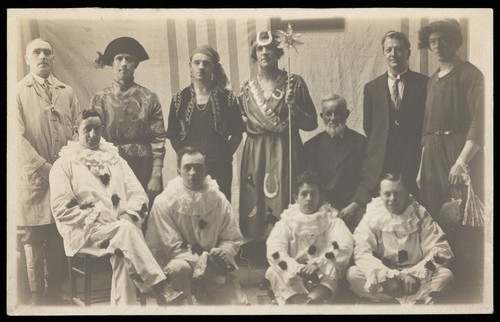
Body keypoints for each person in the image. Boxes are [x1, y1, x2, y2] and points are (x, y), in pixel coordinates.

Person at [49, 109, 184, 306]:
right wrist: (97, 215)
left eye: (97, 128)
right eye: (87, 129)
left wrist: (128, 215)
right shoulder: (64, 164)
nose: (93, 134)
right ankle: (159, 285)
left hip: (120, 230)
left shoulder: (115, 159)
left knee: (124, 251)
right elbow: (61, 209)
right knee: (126, 234)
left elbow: (138, 194)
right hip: (86, 232)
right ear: (76, 131)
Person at [417, 18, 485, 303]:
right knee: (434, 216)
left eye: (443, 40)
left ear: (455, 42)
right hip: (432, 152)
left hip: (459, 152)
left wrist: (462, 162)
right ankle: (438, 284)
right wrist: (421, 167)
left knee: (461, 219)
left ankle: (466, 288)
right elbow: (426, 127)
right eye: (433, 42)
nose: (438, 46)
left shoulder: (470, 75)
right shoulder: (433, 79)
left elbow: (479, 122)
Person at [340, 31, 428, 230]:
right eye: (388, 49)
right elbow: (369, 126)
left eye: (398, 49)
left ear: (408, 52)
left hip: (412, 158)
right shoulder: (372, 88)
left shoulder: (423, 84)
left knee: (411, 210)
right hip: (382, 159)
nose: (393, 54)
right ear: (383, 54)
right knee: (381, 209)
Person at [17, 38, 81, 305]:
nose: (42, 56)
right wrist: (44, 168)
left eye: (47, 52)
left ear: (53, 58)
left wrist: (67, 165)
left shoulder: (66, 91)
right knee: (34, 236)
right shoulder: (18, 92)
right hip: (35, 176)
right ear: (27, 59)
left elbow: (78, 128)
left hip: (63, 175)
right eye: (37, 52)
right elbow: (15, 138)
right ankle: (37, 295)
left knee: (58, 233)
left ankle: (55, 292)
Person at [239, 31, 318, 242]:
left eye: (269, 47)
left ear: (278, 51)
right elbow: (240, 122)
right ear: (255, 54)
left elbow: (312, 123)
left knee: (286, 193)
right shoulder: (246, 89)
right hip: (255, 150)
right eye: (259, 48)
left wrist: (295, 109)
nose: (265, 52)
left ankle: (288, 243)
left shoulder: (294, 83)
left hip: (285, 147)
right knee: (255, 197)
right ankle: (257, 244)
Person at [145, 147, 248, 305]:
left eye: (198, 167)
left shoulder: (218, 199)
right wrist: (205, 259)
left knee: (236, 306)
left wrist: (222, 252)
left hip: (213, 263)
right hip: (178, 261)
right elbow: (172, 247)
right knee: (178, 269)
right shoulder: (164, 201)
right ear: (179, 170)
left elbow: (231, 237)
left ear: (206, 170)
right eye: (187, 167)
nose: (193, 172)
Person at [90, 37, 167, 222]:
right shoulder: (99, 99)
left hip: (143, 166)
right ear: (112, 63)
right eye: (119, 58)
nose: (124, 63)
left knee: (143, 216)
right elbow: (91, 138)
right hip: (109, 166)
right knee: (113, 217)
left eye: (129, 59)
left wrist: (156, 174)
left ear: (136, 64)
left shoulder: (149, 97)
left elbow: (158, 138)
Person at [346, 173, 454, 304]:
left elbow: (440, 249)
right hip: (386, 281)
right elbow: (362, 252)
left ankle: (392, 301)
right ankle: (406, 301)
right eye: (387, 194)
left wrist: (414, 275)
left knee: (445, 276)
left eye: (397, 193)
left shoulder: (419, 214)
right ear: (380, 193)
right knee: (353, 274)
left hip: (416, 278)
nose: (392, 199)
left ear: (407, 193)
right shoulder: (372, 215)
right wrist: (387, 278)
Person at [166, 45, 244, 201]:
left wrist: (224, 155)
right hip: (190, 168)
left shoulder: (227, 97)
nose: (201, 67)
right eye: (197, 63)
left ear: (213, 68)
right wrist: (186, 158)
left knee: (218, 206)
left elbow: (237, 134)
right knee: (189, 205)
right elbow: (173, 135)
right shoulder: (180, 98)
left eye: (206, 63)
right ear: (190, 67)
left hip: (219, 167)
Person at [265, 171, 354, 304]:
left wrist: (318, 264)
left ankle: (309, 301)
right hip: (293, 275)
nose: (309, 198)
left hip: (321, 274)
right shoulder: (287, 221)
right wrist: (297, 268)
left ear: (320, 198)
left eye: (313, 194)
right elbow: (274, 249)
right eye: (304, 194)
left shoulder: (331, 219)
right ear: (296, 198)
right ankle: (306, 303)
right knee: (273, 270)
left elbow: (345, 245)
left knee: (334, 268)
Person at [304, 94, 366, 230]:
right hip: (323, 206)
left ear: (347, 114)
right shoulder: (311, 146)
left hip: (355, 207)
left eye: (338, 113)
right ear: (321, 117)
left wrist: (354, 206)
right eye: (328, 114)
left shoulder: (361, 143)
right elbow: (312, 182)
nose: (333, 118)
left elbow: (367, 180)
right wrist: (328, 208)